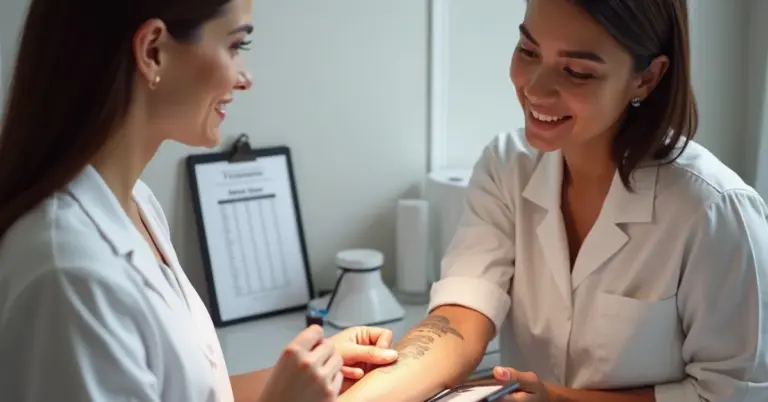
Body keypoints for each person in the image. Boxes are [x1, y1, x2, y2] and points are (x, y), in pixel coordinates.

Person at [341, 1, 768, 401]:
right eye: (528, 50)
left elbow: (732, 393)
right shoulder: (506, 167)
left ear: (647, 77)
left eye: (577, 72)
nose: (536, 88)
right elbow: (460, 316)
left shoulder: (715, 210)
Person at [0, 0, 398, 401]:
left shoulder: (136, 204)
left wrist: (311, 374)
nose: (245, 79)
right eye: (234, 46)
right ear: (153, 51)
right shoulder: (69, 276)